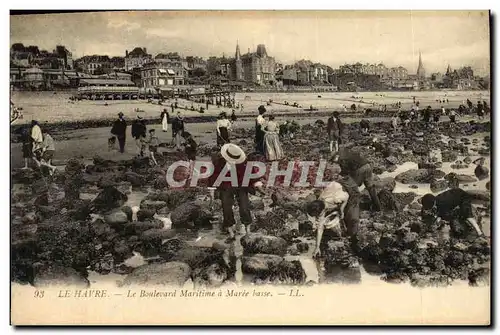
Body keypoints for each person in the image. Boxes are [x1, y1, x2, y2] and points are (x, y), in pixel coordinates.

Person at [208, 144, 264, 238]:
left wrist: (258, 185)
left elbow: (251, 173)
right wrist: (212, 193)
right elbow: (213, 177)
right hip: (226, 186)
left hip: (241, 185)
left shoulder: (243, 162)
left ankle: (248, 231)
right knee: (226, 208)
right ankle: (231, 233)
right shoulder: (219, 162)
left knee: (244, 207)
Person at [333, 148, 382, 239]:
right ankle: (378, 207)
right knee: (370, 188)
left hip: (359, 169)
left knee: (352, 190)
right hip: (367, 166)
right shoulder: (346, 152)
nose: (335, 163)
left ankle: (350, 213)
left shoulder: (340, 159)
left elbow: (346, 172)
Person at [305, 181, 350, 258]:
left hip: (344, 189)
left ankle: (346, 237)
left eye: (317, 215)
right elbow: (320, 228)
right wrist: (317, 247)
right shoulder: (319, 206)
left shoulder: (335, 199)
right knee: (324, 223)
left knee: (348, 217)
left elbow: (347, 196)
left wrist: (342, 209)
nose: (316, 217)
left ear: (322, 211)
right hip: (330, 191)